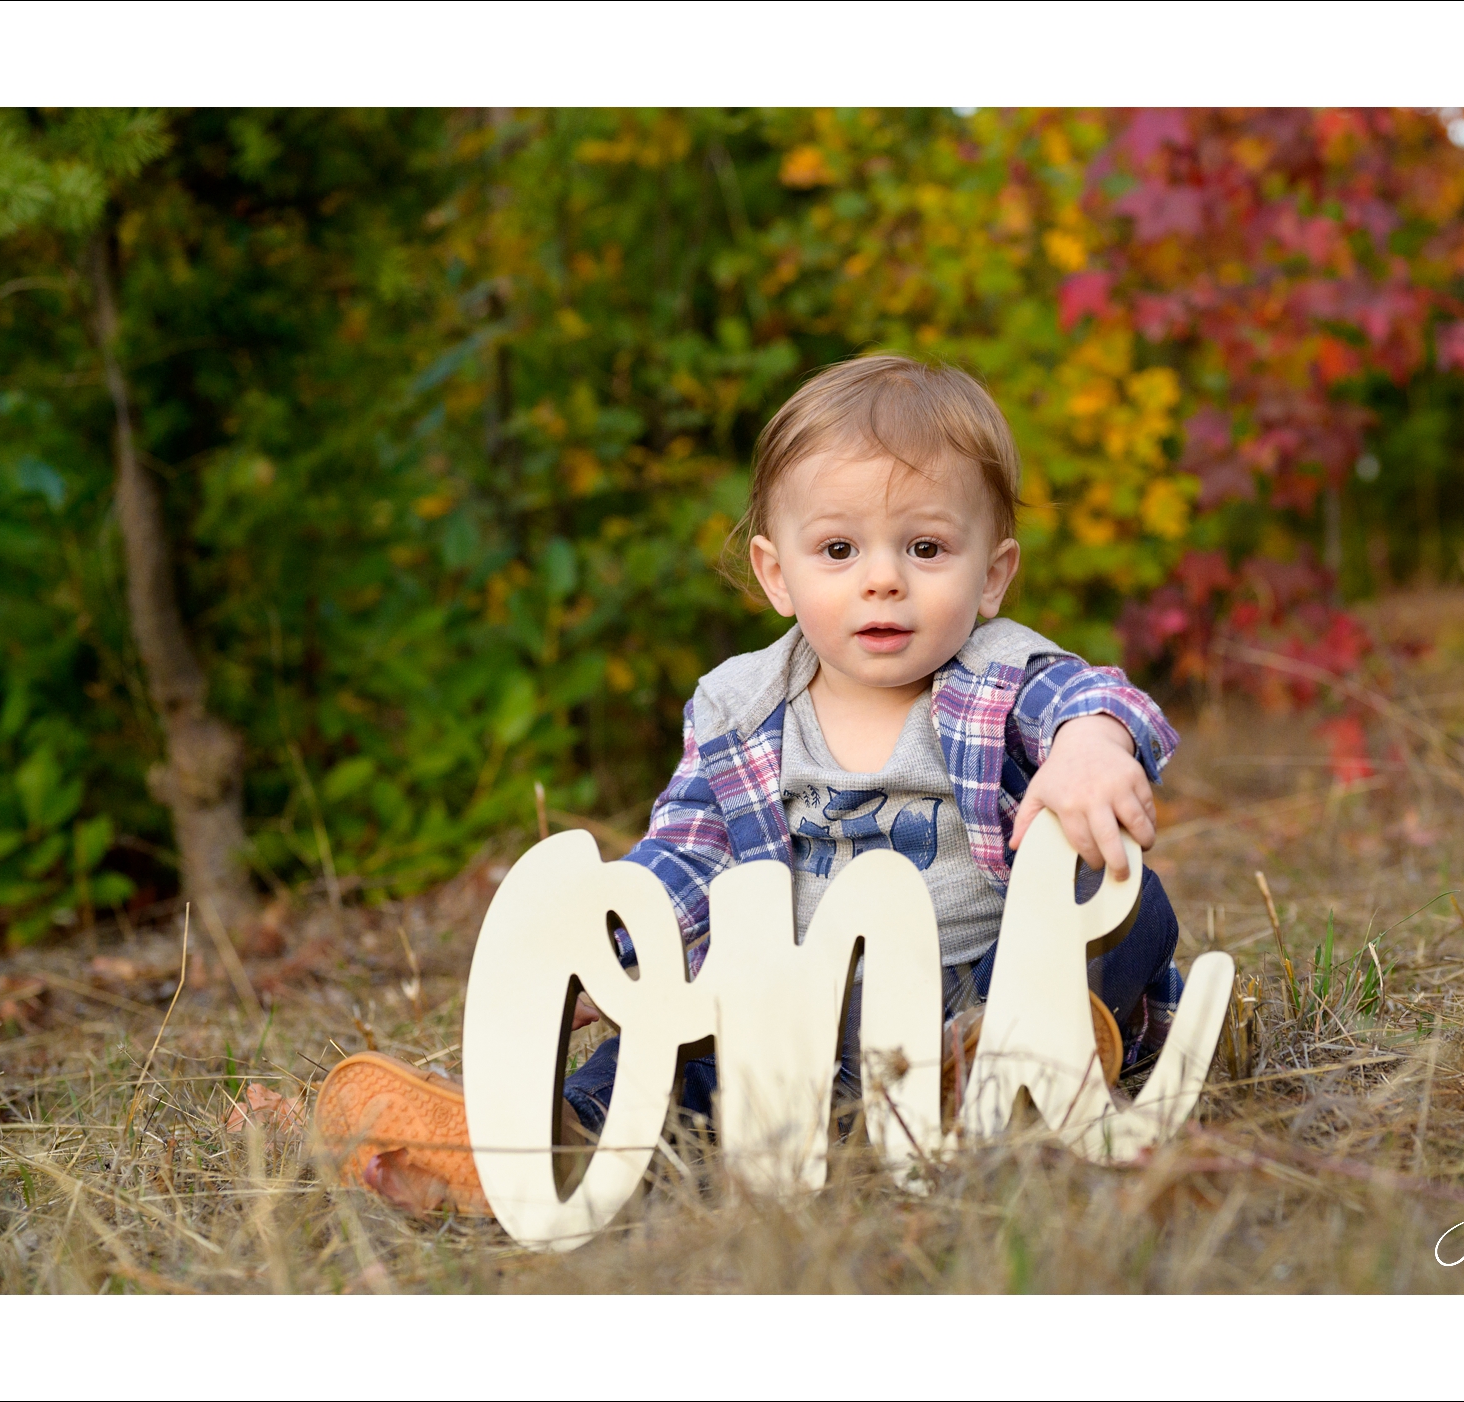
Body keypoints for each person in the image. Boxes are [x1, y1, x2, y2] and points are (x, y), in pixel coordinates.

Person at [319, 354, 1184, 1210]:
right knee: (677, 1040)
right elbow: (687, 857)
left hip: (975, 992)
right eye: (839, 549)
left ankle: (1005, 1065)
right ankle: (554, 1142)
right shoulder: (742, 708)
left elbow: (1095, 697)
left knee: (1132, 903)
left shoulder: (1004, 673)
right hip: (795, 1022)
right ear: (778, 574)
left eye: (925, 547)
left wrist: (1091, 746)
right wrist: (611, 959)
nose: (882, 578)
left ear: (992, 575)